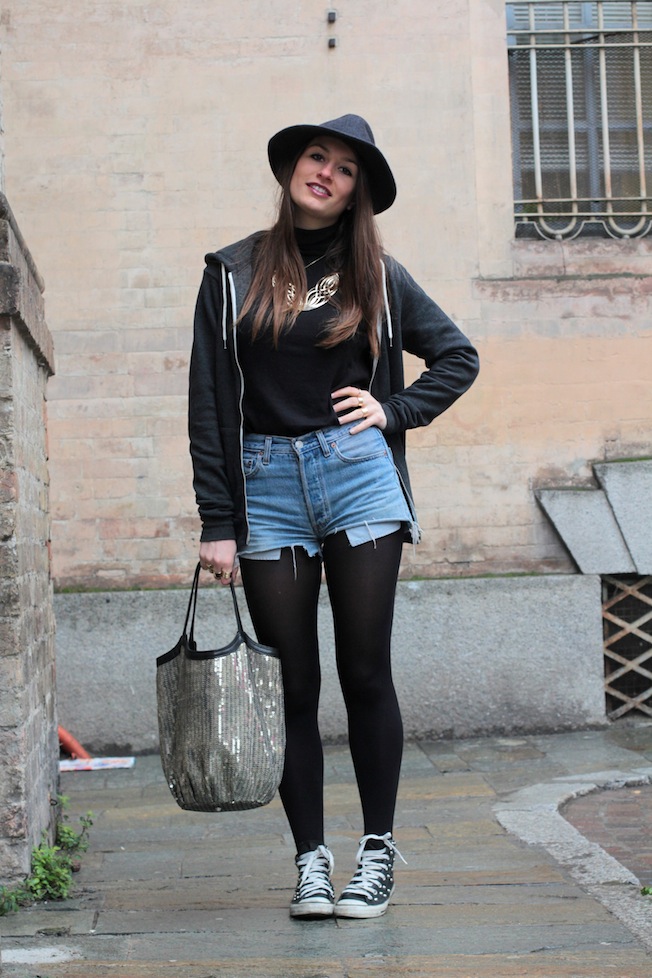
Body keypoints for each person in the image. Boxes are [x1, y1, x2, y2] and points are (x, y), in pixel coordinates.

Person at [188, 114, 479, 920]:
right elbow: (208, 401)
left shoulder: (376, 274)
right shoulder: (232, 272)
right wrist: (218, 519)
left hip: (355, 476)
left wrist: (392, 412)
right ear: (293, 167)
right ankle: (311, 863)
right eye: (317, 157)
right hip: (266, 486)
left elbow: (457, 356)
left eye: (345, 169)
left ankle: (376, 855)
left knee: (365, 670)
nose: (325, 173)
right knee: (292, 684)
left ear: (357, 194)